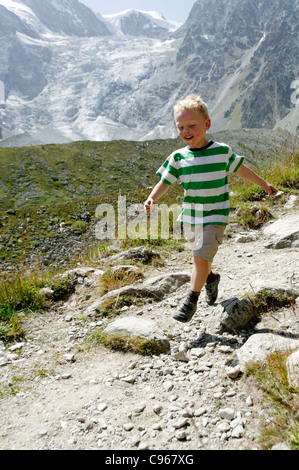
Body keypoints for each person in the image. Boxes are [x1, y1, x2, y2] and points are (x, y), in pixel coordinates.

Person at [144, 95, 278, 323]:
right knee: (201, 259)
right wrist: (151, 197)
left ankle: (190, 301)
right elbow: (165, 181)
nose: (186, 130)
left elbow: (241, 169)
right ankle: (210, 279)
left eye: (192, 125)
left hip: (216, 215)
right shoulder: (178, 157)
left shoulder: (221, 151)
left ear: (206, 125)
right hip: (190, 217)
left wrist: (264, 184)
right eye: (180, 127)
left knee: (199, 258)